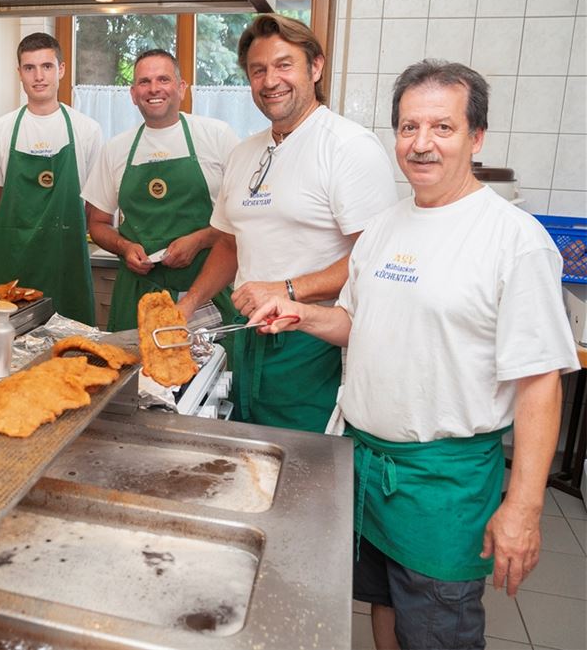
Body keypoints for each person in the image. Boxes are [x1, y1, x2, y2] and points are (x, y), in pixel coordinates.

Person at [248, 60, 579, 650]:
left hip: (441, 483)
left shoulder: (513, 239)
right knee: (384, 608)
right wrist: (303, 314)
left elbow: (540, 384)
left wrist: (523, 510)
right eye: (408, 128)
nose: (421, 145)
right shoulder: (383, 228)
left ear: (476, 137)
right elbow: (358, 324)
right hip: (367, 466)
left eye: (442, 128)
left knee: (436, 629)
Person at [176, 15, 396, 432]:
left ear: (315, 67)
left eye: (283, 65)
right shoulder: (245, 153)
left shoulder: (348, 147)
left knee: (304, 469)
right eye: (258, 70)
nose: (270, 80)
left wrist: (289, 289)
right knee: (245, 457)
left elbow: (375, 259)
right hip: (246, 338)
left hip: (312, 345)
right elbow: (228, 244)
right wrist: (189, 304)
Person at [83, 49, 240, 332]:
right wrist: (125, 247)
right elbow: (97, 223)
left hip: (206, 290)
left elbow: (245, 218)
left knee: (212, 373)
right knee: (134, 372)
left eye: (163, 79)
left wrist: (201, 239)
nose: (154, 89)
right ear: (133, 94)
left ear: (181, 87)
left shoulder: (217, 136)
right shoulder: (116, 149)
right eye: (144, 82)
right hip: (139, 294)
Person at [0, 32, 103, 325]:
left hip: (66, 259)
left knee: (71, 350)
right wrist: (19, 235)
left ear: (62, 70)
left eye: (46, 66)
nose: (39, 76)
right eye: (29, 68)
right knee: (8, 345)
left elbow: (93, 204)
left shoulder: (87, 129)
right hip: (12, 262)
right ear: (20, 73)